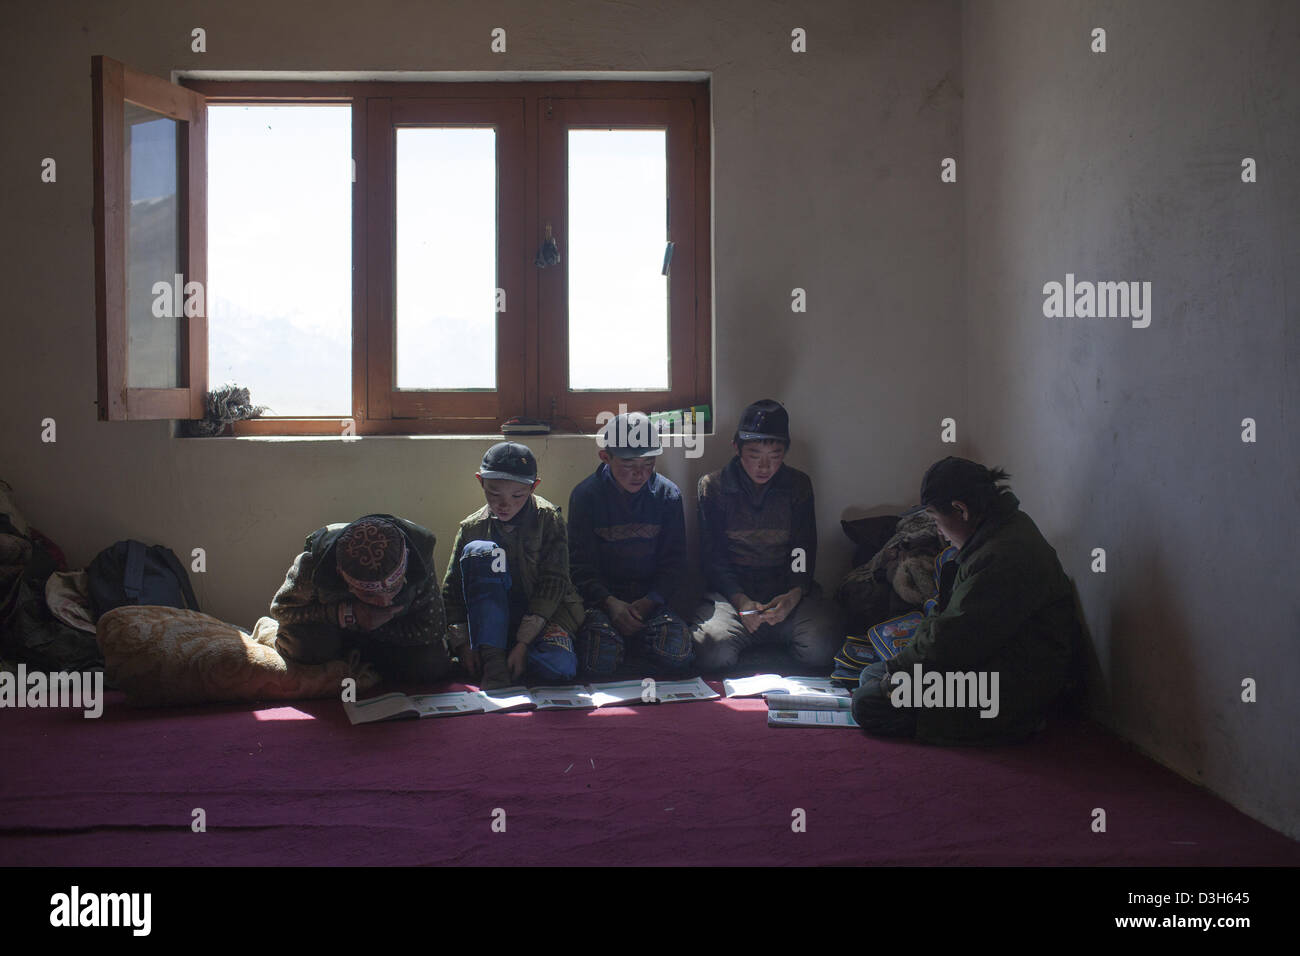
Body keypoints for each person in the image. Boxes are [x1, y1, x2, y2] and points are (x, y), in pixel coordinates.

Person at [851, 457, 1080, 744]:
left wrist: (898, 671)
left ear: (961, 510)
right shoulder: (1002, 529)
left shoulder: (1002, 555)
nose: (938, 531)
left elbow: (951, 642)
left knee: (866, 702)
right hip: (991, 662)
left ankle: (1009, 724)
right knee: (872, 674)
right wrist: (898, 670)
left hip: (1008, 687)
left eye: (936, 519)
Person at [692, 399, 844, 672]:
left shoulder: (797, 485)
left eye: (774, 456)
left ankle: (771, 636)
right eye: (754, 455)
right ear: (736, 448)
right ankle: (750, 636)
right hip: (731, 596)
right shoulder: (713, 486)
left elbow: (802, 549)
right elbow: (713, 557)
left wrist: (794, 594)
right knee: (712, 651)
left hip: (783, 594)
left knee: (823, 646)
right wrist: (740, 600)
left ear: (785, 452)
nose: (764, 466)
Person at [441, 442, 585, 689]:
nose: (504, 504)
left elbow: (554, 581)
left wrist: (523, 643)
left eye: (517, 495)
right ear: (481, 482)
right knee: (479, 551)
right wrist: (463, 644)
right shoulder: (472, 528)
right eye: (494, 494)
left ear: (533, 486)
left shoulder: (548, 519)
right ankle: (495, 660)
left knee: (559, 666)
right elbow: (451, 590)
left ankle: (512, 655)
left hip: (541, 618)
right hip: (489, 622)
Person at [568, 411, 693, 678]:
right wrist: (610, 603)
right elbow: (580, 566)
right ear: (605, 457)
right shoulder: (585, 496)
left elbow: (675, 563)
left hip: (652, 601)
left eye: (648, 463)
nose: (639, 474)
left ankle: (633, 644)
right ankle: (621, 644)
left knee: (678, 653)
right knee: (597, 662)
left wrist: (649, 603)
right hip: (604, 601)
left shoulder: (667, 496)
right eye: (628, 464)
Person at [270, 514, 450, 683]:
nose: (384, 602)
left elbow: (433, 629)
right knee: (305, 647)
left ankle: (355, 666)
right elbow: (282, 611)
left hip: (390, 636)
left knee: (433, 663)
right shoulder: (313, 563)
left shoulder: (419, 554)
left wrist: (374, 625)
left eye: (394, 587)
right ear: (341, 575)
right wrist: (344, 613)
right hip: (333, 633)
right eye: (369, 594)